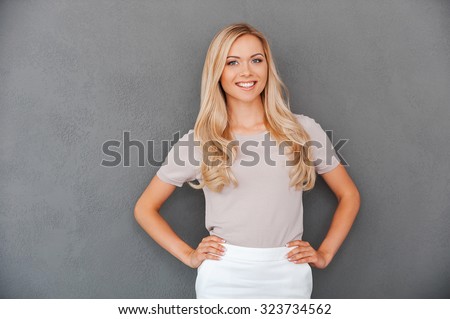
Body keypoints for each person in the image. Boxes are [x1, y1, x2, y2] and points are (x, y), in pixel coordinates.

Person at [134, 22, 360, 299]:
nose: (247, 72)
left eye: (256, 60)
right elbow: (144, 208)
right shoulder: (200, 141)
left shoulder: (302, 130)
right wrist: (190, 255)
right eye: (232, 62)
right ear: (217, 72)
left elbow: (348, 194)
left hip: (288, 272)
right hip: (223, 274)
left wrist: (324, 254)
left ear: (268, 67)